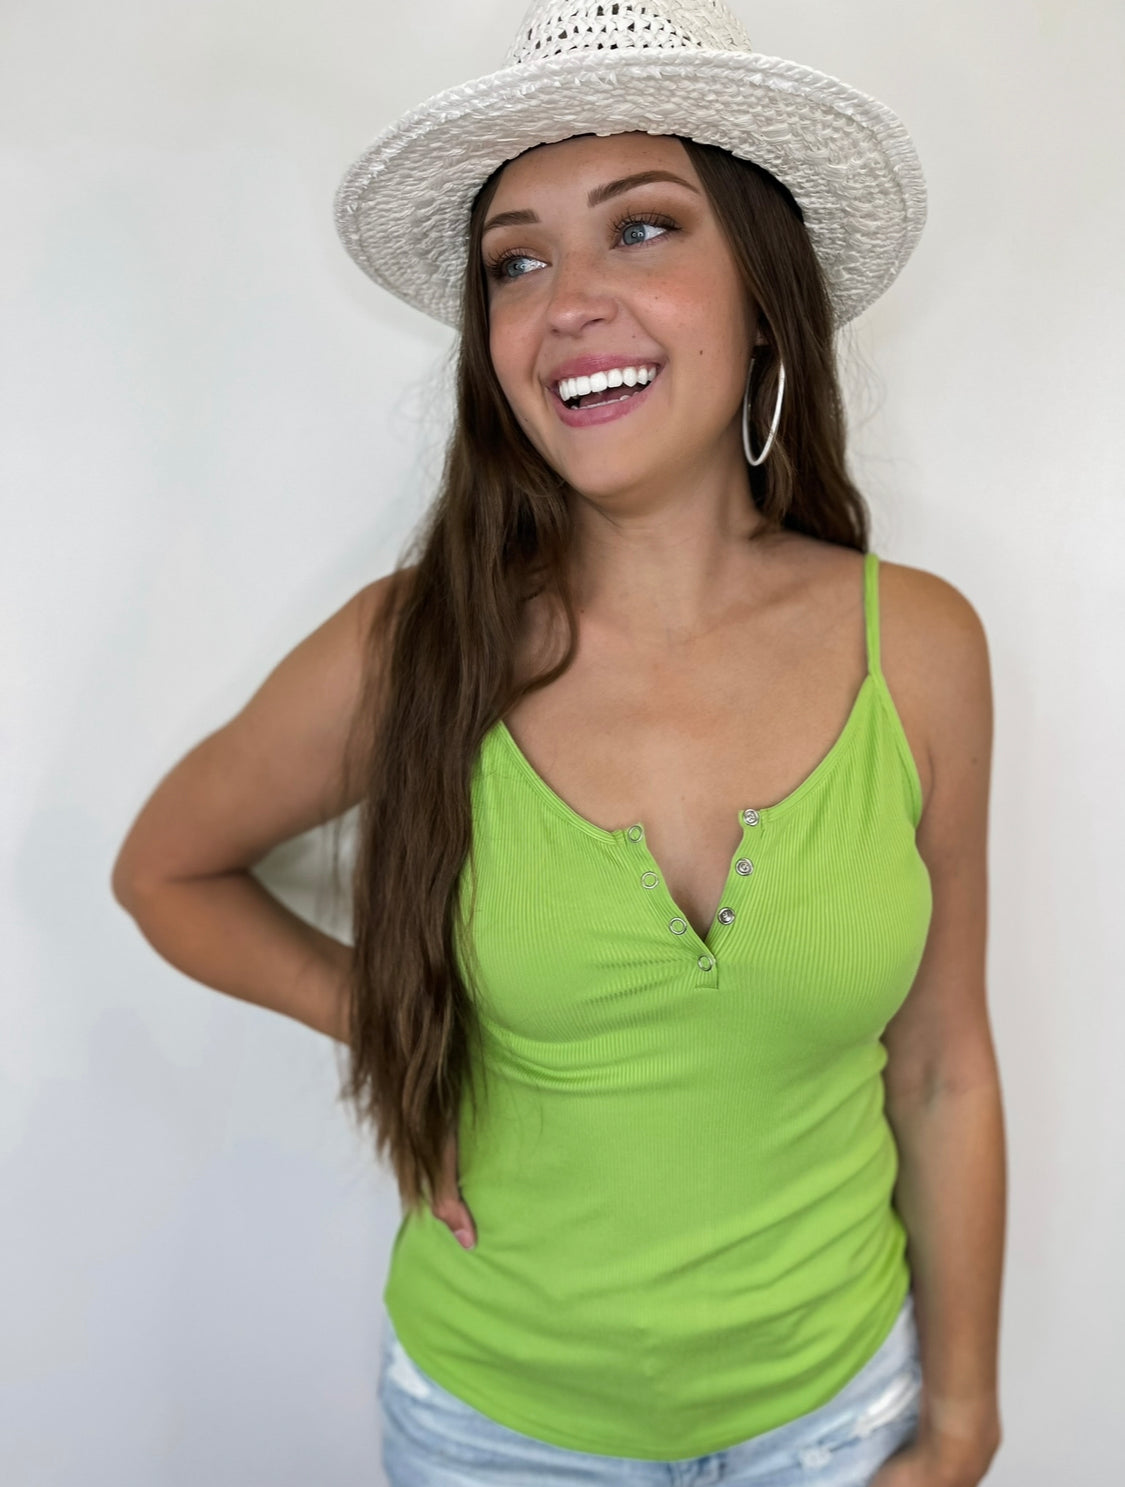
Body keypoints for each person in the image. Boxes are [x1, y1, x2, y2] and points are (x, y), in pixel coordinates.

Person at [112, 1, 1006, 1483]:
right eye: (515, 263)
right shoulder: (415, 648)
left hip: (839, 1420)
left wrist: (964, 1419)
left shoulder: (915, 644)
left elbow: (942, 1066)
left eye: (641, 229)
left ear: (765, 295)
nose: (566, 302)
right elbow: (165, 871)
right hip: (497, 1431)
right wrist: (395, 1028)